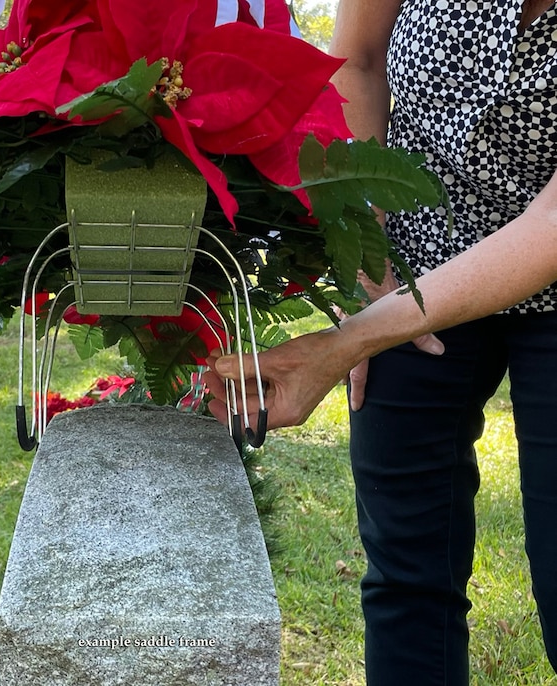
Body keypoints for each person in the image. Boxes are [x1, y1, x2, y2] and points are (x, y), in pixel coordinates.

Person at [205, 1, 557, 684]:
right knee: (406, 575)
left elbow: (551, 225)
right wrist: (370, 264)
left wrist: (350, 340)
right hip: (408, 265)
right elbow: (357, 61)